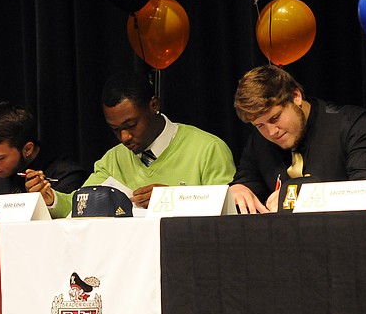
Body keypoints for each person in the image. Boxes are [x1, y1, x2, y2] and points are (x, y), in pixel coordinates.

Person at [45, 71, 236, 218]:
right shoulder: (113, 159)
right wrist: (51, 198)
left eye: (131, 125)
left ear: (154, 105)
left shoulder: (207, 149)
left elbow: (228, 210)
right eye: (115, 129)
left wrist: (171, 200)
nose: (124, 137)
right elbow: (80, 203)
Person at [229, 64, 366, 214]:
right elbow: (247, 182)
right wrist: (239, 190)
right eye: (259, 125)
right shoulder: (259, 141)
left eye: (275, 118)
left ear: (296, 96)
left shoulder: (355, 125)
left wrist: (295, 193)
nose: (271, 132)